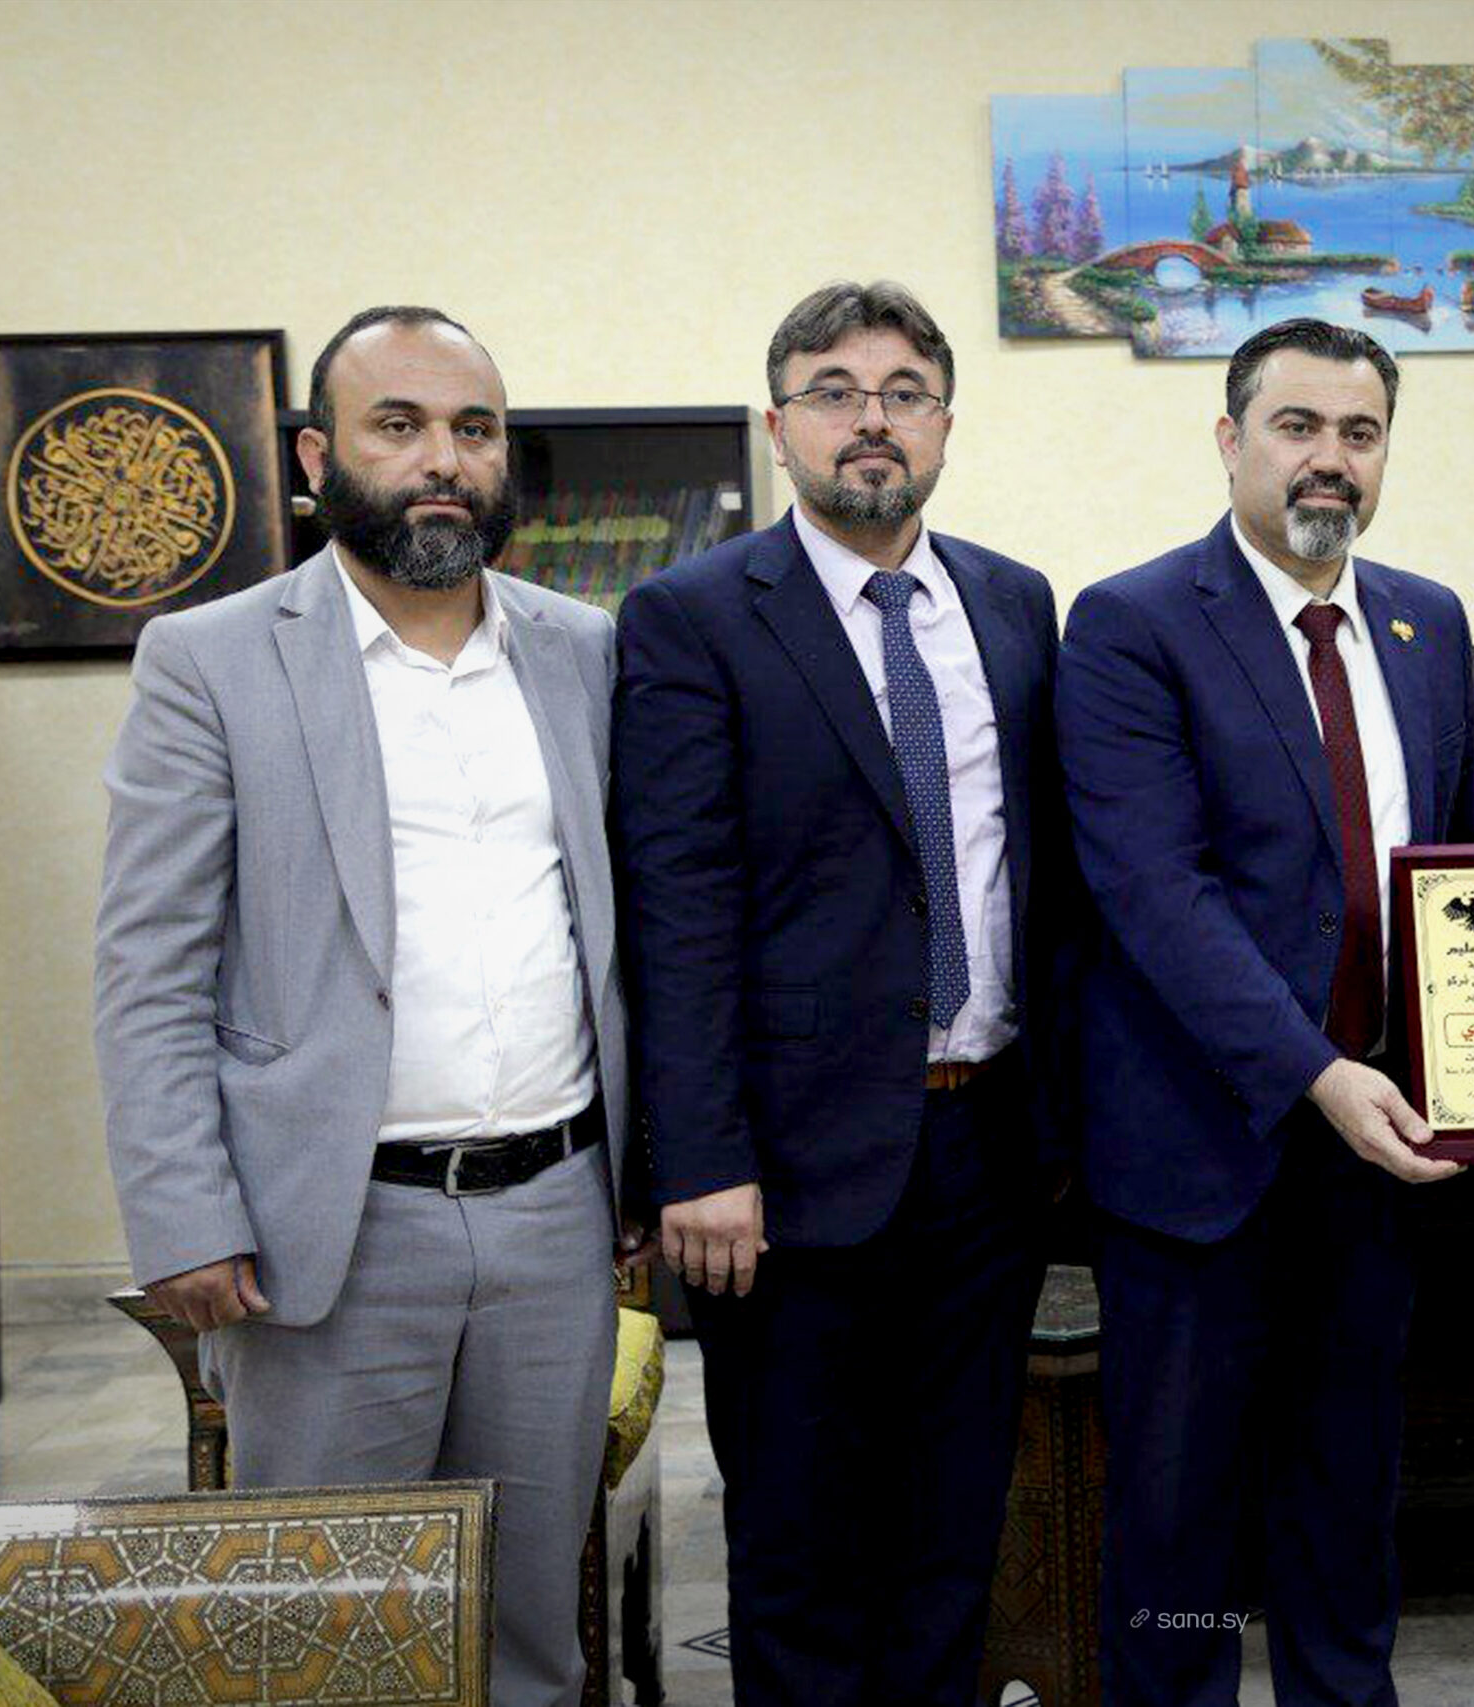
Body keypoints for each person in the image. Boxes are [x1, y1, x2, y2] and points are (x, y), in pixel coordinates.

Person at [95, 306, 635, 1707]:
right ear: (316, 455)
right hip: (327, 1231)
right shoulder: (211, 659)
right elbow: (150, 964)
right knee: (332, 1631)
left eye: (474, 429)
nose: (442, 459)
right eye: (399, 426)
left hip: (554, 1219)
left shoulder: (584, 649)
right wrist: (183, 1212)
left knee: (530, 1630)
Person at [612, 280, 1070, 1707]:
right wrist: (699, 1158)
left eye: (904, 394)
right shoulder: (693, 616)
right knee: (802, 1550)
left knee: (952, 1532)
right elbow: (678, 907)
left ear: (944, 423)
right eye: (834, 392)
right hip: (787, 1172)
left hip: (986, 1150)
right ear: (778, 425)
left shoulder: (1013, 601)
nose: (872, 421)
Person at [1058, 316, 1474, 1707]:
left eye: (1360, 433)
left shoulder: (1427, 622)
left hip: (1381, 1146)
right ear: (1230, 439)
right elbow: (1156, 894)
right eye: (1297, 426)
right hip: (1202, 1151)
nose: (1329, 459)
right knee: (1179, 1518)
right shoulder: (1131, 625)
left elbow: (1457, 873)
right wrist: (1317, 1073)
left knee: (1347, 1495)